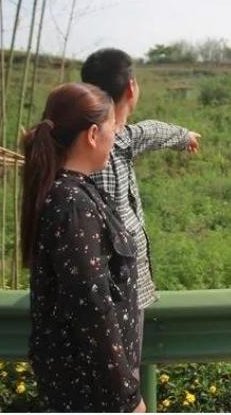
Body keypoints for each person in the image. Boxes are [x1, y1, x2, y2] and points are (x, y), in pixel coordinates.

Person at [21, 82, 146, 413]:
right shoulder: (72, 204)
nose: (114, 137)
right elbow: (92, 307)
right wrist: (127, 395)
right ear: (92, 135)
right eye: (111, 128)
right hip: (92, 393)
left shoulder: (73, 193)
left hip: (91, 386)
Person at [81, 48, 200, 381]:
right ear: (131, 88)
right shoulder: (106, 152)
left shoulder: (103, 141)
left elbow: (150, 131)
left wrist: (183, 136)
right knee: (121, 379)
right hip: (116, 298)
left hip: (98, 297)